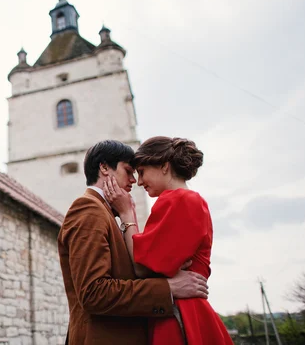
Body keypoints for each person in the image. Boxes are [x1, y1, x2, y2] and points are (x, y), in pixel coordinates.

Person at [58, 140, 210, 345]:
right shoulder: (88, 209)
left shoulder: (106, 213)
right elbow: (94, 293)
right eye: (128, 171)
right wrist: (168, 288)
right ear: (104, 167)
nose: (133, 180)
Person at [103, 136, 233, 345]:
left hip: (179, 314)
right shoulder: (192, 201)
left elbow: (141, 266)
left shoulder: (177, 200)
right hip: (185, 310)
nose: (140, 181)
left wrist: (127, 213)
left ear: (164, 166)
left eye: (143, 172)